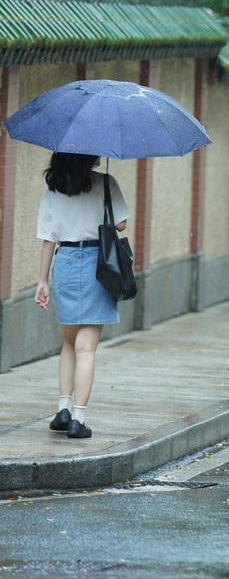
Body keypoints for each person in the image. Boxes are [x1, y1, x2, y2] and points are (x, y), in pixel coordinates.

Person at [35, 153, 128, 440]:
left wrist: (42, 280)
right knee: (86, 348)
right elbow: (121, 224)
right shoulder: (105, 182)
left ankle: (62, 409)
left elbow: (48, 238)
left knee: (69, 341)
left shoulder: (53, 189)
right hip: (96, 265)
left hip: (64, 264)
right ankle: (78, 418)